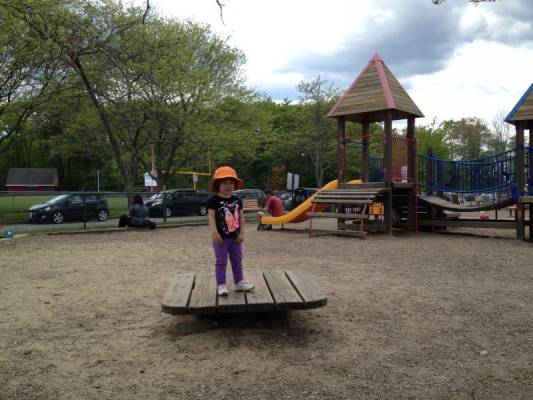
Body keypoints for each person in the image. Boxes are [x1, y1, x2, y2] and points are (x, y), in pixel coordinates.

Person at [207, 166, 255, 296]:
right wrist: (214, 233)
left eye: (231, 183)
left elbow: (241, 218)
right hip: (220, 239)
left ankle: (239, 282)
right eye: (224, 183)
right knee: (221, 262)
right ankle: (221, 285)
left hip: (235, 238)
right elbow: (211, 218)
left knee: (237, 260)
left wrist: (242, 233)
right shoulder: (213, 201)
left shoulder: (237, 201)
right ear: (217, 184)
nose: (228, 186)